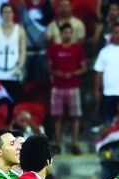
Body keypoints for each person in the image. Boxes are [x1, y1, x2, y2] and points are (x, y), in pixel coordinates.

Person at [47, 23, 87, 155]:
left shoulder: (77, 49)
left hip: (73, 86)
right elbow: (49, 67)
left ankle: (75, 144)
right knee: (57, 116)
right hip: (57, 86)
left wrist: (73, 73)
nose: (67, 35)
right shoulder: (54, 49)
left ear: (72, 34)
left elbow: (84, 68)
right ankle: (58, 144)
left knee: (75, 116)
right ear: (61, 34)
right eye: (65, 33)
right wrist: (56, 73)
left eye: (69, 33)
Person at [0, 3, 27, 123]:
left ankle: (9, 125)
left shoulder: (20, 30)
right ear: (1, 14)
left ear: (13, 14)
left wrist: (20, 68)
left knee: (12, 103)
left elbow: (23, 51)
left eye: (10, 12)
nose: (7, 15)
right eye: (5, 12)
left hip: (13, 72)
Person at [15, 0, 53, 82]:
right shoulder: (23, 6)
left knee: (41, 82)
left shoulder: (47, 6)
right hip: (26, 52)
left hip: (42, 53)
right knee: (23, 82)